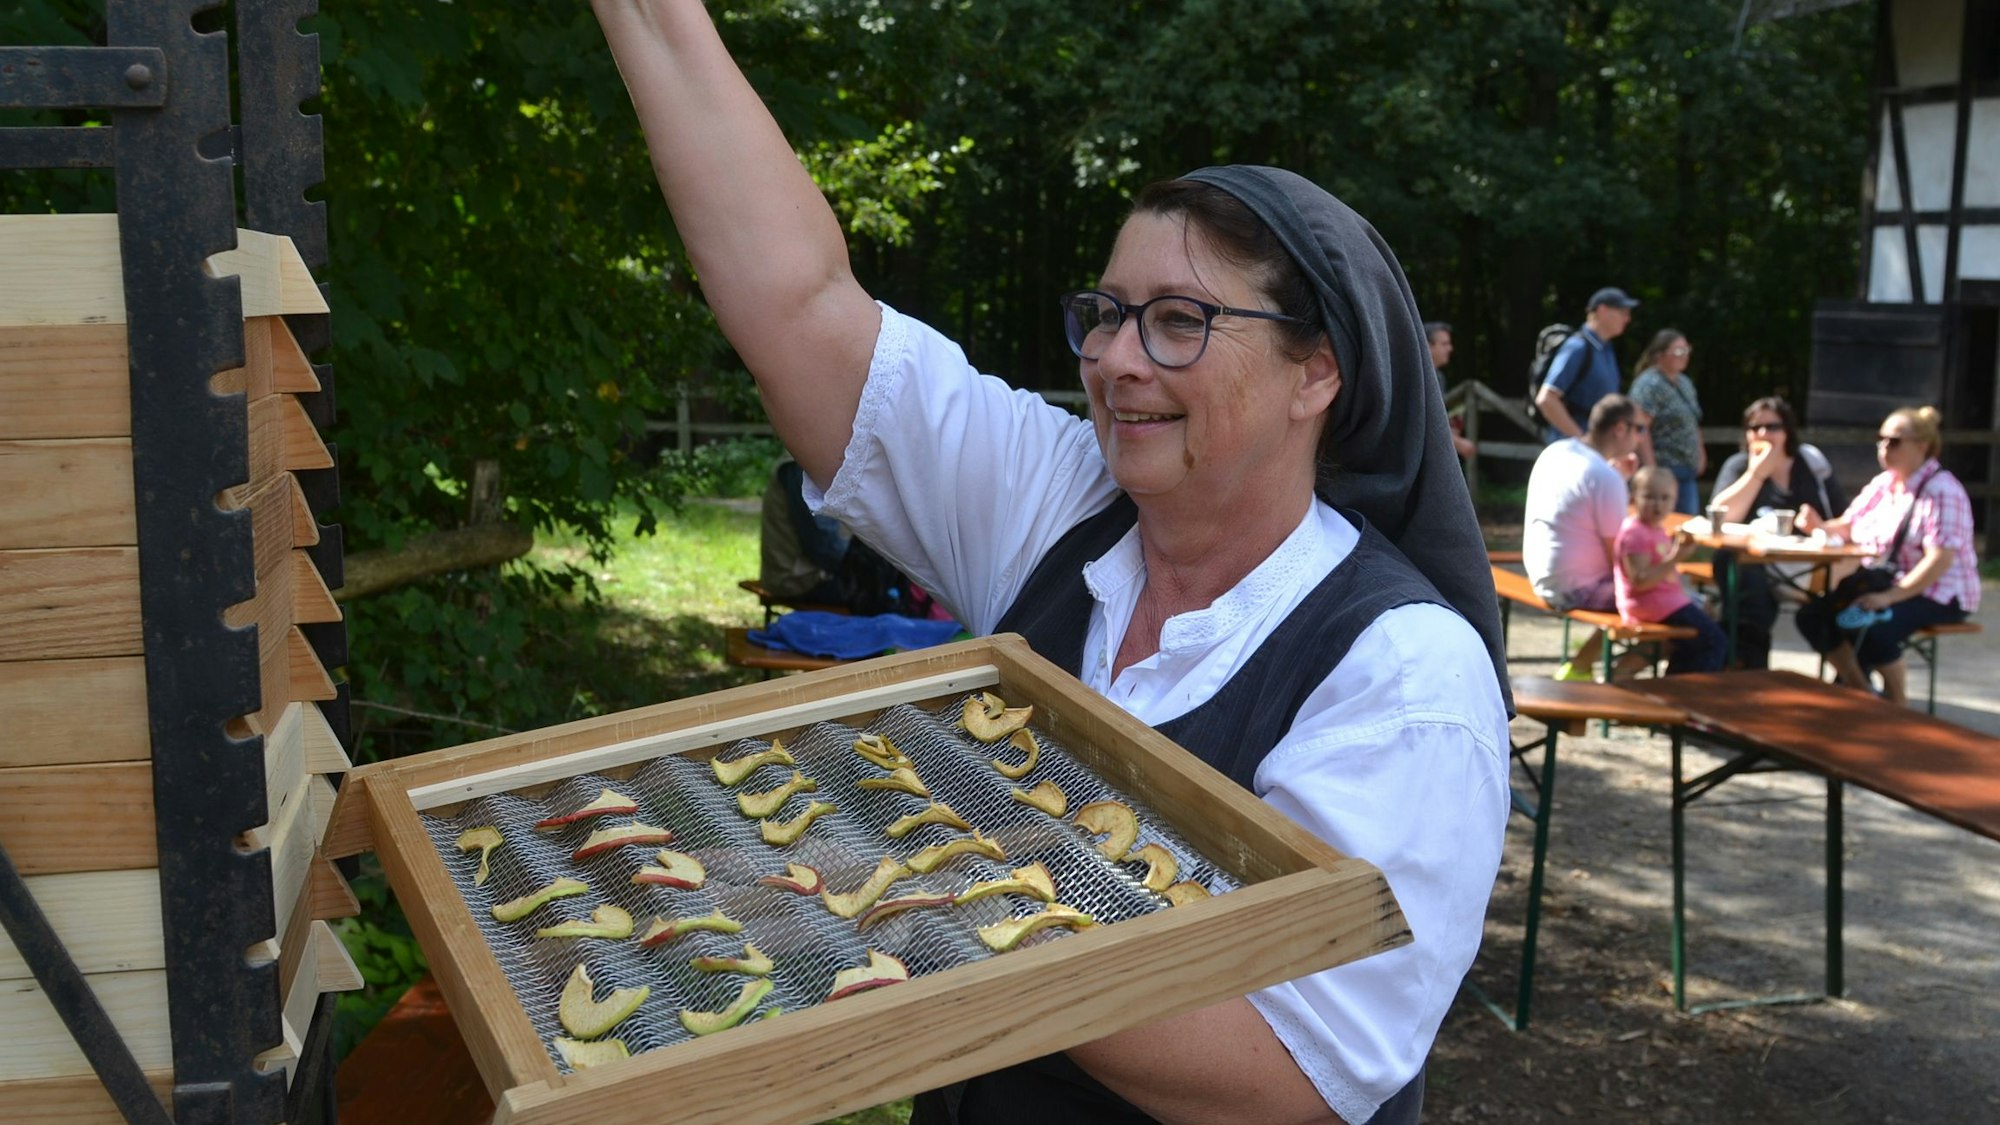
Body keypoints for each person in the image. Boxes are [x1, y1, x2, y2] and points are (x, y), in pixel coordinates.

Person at [591, 6, 1511, 1121]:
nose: (1116, 361)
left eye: (1179, 322)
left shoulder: (1402, 677)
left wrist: (914, 882)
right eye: (1108, 314)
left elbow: (1282, 1076)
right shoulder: (1067, 503)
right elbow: (799, 305)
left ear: (1314, 371)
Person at [1796, 406, 1980, 705]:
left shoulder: (1942, 490)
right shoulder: (1885, 483)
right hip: (1886, 582)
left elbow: (1940, 560)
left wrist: (1891, 597)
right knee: (1813, 616)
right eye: (1880, 439)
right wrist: (1817, 525)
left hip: (1939, 592)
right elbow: (1847, 526)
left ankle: (1898, 707)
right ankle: (1861, 693)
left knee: (1868, 627)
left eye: (1894, 441)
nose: (1884, 447)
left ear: (1922, 446)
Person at [1705, 397, 1847, 668]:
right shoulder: (1739, 465)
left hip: (1802, 565)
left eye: (1772, 427)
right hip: (1752, 561)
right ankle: (1749, 673)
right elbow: (1720, 517)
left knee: (1842, 601)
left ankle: (1853, 681)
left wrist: (1820, 526)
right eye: (1753, 428)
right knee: (1752, 594)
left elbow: (1843, 515)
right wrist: (1756, 474)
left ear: (1788, 431)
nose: (1762, 434)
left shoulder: (1810, 463)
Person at [1523, 395, 1649, 680]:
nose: (1641, 438)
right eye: (1638, 429)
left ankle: (1581, 666)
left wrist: (1620, 480)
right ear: (1620, 429)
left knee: (1670, 597)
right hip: (1576, 589)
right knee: (1684, 605)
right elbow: (1619, 555)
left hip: (1543, 576)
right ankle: (1621, 683)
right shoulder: (1603, 476)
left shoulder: (1558, 451)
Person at [1616, 467, 1725, 674]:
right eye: (1649, 497)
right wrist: (1676, 558)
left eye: (1665, 498)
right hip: (1650, 605)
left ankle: (1675, 685)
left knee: (1700, 631)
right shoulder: (1635, 533)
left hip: (1666, 602)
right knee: (1715, 641)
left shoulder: (1656, 529)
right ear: (1633, 498)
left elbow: (1668, 580)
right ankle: (1689, 690)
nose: (1657, 504)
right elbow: (1641, 581)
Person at [1535, 287, 1637, 442]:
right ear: (1602, 310)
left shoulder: (1605, 350)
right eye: (1623, 312)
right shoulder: (1577, 347)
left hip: (1595, 450)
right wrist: (1583, 440)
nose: (1628, 319)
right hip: (1571, 451)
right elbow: (1547, 399)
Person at [1628, 329, 1704, 515]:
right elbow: (1640, 427)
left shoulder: (1684, 382)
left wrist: (1701, 455)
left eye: (1687, 350)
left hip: (1687, 469)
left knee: (1687, 528)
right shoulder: (1649, 384)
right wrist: (1651, 470)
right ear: (1660, 355)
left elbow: (1692, 421)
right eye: (1678, 351)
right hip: (1664, 469)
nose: (1684, 356)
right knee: (1664, 528)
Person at [1425, 320, 1477, 461]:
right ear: (1428, 346)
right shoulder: (1420, 377)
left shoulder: (1438, 377)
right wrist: (1458, 443)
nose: (1450, 348)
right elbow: (1427, 423)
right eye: (1444, 344)